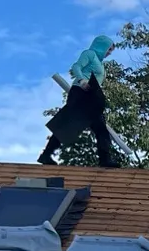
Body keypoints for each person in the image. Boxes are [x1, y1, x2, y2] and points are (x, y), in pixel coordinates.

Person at [40, 35, 121, 168]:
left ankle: (105, 159)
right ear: (102, 46)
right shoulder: (89, 54)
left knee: (100, 127)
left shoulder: (100, 63)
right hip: (80, 93)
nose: (109, 53)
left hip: (91, 96)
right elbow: (76, 67)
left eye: (111, 51)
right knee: (68, 124)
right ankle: (46, 154)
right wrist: (82, 80)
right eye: (109, 49)